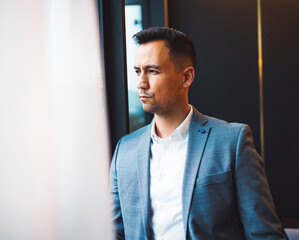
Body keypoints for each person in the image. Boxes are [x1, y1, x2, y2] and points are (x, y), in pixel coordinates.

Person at [110, 26, 286, 240]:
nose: (141, 83)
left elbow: (265, 234)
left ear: (186, 77)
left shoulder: (232, 142)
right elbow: (114, 233)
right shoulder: (125, 151)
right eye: (138, 71)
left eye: (153, 71)